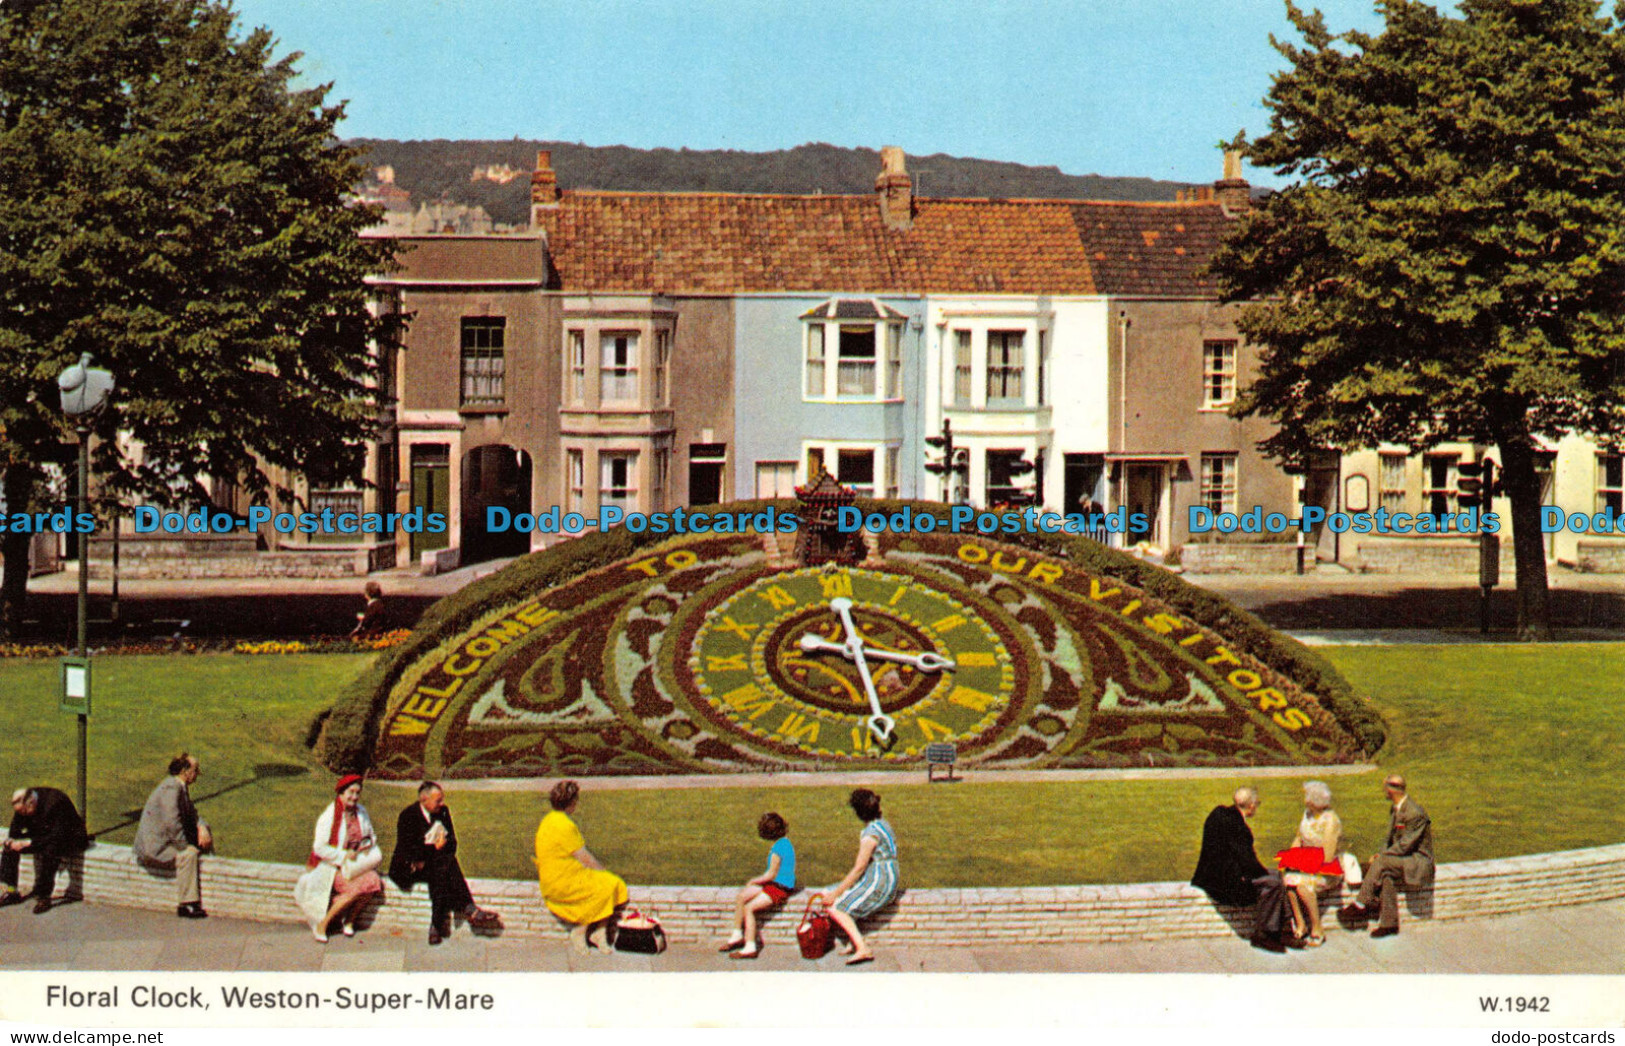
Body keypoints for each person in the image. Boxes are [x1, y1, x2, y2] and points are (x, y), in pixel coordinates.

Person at [387, 781, 500, 945]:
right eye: (437, 801)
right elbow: (410, 852)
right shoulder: (408, 816)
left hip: (434, 865)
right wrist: (434, 847)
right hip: (408, 867)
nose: (441, 804)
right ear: (424, 799)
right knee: (442, 866)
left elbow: (453, 843)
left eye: (442, 800)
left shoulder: (443, 812)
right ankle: (468, 908)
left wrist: (440, 848)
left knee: (442, 868)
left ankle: (437, 925)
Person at [1189, 785, 1290, 950]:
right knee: (1275, 882)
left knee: (1276, 877)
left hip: (1209, 878)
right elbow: (1250, 865)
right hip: (1226, 887)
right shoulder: (1240, 829)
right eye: (1257, 804)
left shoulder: (1219, 814)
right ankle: (1265, 934)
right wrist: (1266, 873)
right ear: (1251, 806)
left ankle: (1282, 928)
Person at [533, 780, 628, 954]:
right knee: (610, 883)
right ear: (571, 803)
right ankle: (581, 931)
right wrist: (603, 871)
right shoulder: (565, 826)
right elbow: (585, 858)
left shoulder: (548, 820)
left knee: (607, 884)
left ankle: (599, 933)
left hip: (551, 878)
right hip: (562, 882)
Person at [1342, 774, 1434, 937]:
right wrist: (1380, 854)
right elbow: (1390, 839)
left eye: (1385, 787)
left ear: (1392, 789)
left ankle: (1360, 904)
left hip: (1417, 862)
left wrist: (1382, 857)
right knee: (1384, 874)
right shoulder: (1396, 808)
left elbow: (1406, 845)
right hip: (1402, 859)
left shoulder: (1414, 813)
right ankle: (1389, 924)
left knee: (1382, 864)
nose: (1384, 791)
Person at [294, 774, 384, 943]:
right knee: (355, 889)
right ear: (341, 792)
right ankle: (323, 924)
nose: (354, 797)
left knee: (374, 882)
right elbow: (319, 847)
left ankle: (350, 919)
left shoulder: (361, 812)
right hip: (332, 866)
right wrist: (344, 855)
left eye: (358, 793)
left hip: (356, 863)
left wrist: (364, 846)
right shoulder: (330, 815)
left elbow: (371, 836)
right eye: (351, 792)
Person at [818, 788, 898, 966]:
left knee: (835, 906)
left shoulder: (870, 834)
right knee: (826, 892)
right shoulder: (882, 824)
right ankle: (851, 942)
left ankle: (862, 948)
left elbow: (859, 868)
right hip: (883, 874)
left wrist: (836, 893)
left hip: (881, 880)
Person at [132, 754, 213, 919]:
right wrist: (184, 847)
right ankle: (188, 903)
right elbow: (172, 823)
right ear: (184, 771)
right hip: (155, 849)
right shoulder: (171, 789)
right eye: (195, 770)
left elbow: (192, 812)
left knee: (200, 838)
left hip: (164, 843)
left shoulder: (179, 787)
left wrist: (202, 826)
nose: (198, 774)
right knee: (189, 855)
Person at [719, 812, 795, 960]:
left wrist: (753, 881)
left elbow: (770, 875)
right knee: (742, 897)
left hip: (779, 888)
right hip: (774, 884)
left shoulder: (777, 850)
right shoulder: (785, 842)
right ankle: (736, 935)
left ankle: (750, 947)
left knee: (749, 909)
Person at [1, 787, 88, 913]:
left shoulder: (56, 802)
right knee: (10, 847)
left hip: (69, 838)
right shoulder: (24, 804)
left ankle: (44, 897)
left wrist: (29, 842)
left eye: (24, 812)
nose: (23, 815)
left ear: (31, 803)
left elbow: (58, 835)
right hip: (44, 835)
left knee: (51, 850)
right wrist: (12, 841)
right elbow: (15, 828)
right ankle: (11, 891)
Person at [1282, 779, 1342, 947]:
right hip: (1307, 865)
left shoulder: (1331, 821)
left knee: (1302, 886)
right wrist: (1290, 857)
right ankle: (1301, 924)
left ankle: (1317, 929)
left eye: (1307, 797)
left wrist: (1300, 863)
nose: (1305, 800)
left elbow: (1327, 857)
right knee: (1288, 881)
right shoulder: (1307, 814)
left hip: (1326, 870)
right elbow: (1298, 838)